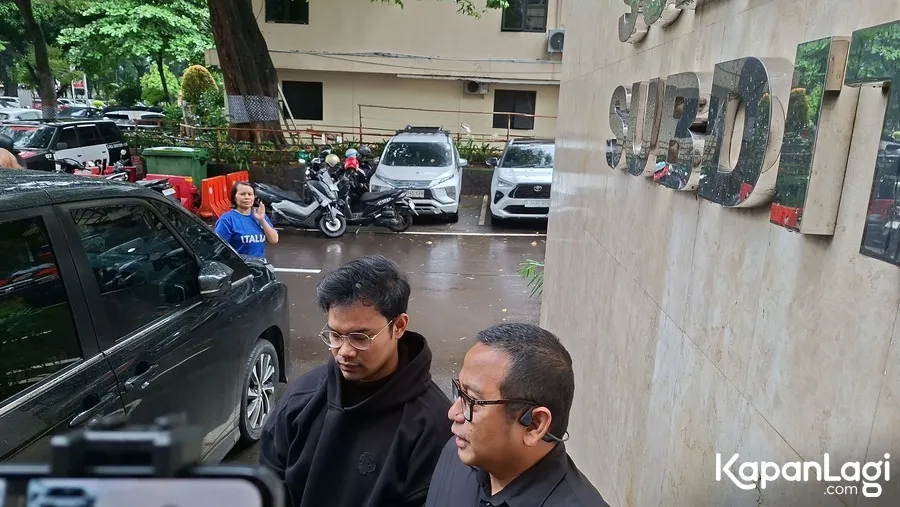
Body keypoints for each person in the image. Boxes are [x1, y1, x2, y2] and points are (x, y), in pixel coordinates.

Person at [258, 254, 452, 507]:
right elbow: (268, 486)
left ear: (399, 326)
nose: (344, 351)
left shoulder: (433, 424)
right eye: (335, 335)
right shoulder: (300, 399)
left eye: (360, 337)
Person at [425, 323, 610, 507]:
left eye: (472, 400)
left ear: (534, 425)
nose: (453, 412)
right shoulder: (457, 453)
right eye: (460, 391)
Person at [214, 181, 278, 258]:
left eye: (250, 194)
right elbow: (218, 248)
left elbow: (274, 240)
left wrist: (262, 220)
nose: (247, 197)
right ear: (234, 197)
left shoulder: (260, 215)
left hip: (259, 264)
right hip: (238, 264)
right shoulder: (227, 220)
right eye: (242, 194)